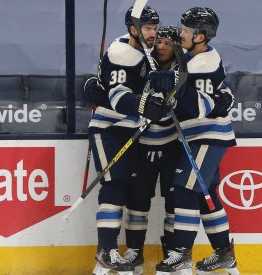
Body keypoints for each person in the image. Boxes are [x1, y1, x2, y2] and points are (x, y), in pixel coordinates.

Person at [150, 7, 239, 275]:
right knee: (205, 196)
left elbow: (200, 106)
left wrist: (173, 89)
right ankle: (224, 254)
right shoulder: (192, 57)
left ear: (201, 36)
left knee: (185, 190)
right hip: (199, 136)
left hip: (207, 136)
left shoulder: (203, 63)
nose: (181, 33)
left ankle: (181, 254)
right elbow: (220, 91)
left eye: (187, 30)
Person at [87, 5, 168, 275]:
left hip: (134, 130)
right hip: (109, 129)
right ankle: (106, 252)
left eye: (154, 28)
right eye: (147, 28)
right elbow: (119, 98)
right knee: (115, 186)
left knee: (136, 192)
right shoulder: (122, 51)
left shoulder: (148, 51)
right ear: (133, 29)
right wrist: (146, 105)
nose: (152, 33)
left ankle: (133, 255)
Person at [122, 25, 182, 274]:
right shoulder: (142, 65)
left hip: (172, 147)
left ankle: (171, 254)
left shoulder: (185, 68)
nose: (161, 47)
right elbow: (123, 90)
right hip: (142, 146)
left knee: (174, 202)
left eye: (168, 43)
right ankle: (134, 252)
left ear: (177, 46)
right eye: (159, 42)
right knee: (137, 200)